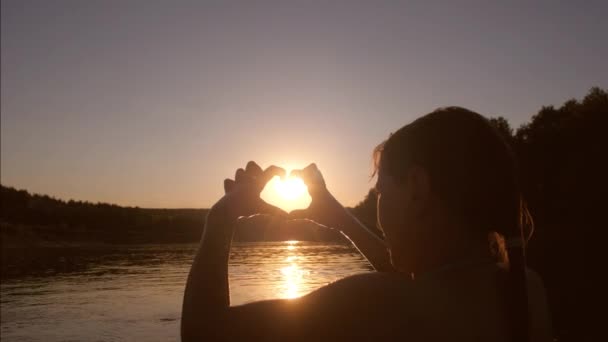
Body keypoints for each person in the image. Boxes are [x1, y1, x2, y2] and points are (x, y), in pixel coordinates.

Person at [181, 107, 553, 341]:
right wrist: (341, 219)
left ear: (417, 189)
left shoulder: (371, 303)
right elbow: (413, 285)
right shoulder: (524, 289)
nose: (378, 202)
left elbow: (203, 333)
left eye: (380, 191)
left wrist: (221, 219)